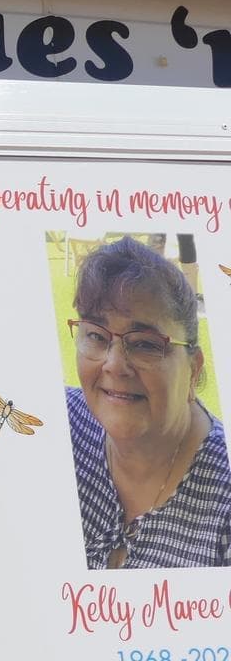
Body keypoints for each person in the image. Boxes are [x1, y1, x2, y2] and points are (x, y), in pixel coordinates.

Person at [66, 235, 230, 569]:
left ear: (192, 368)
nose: (114, 364)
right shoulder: (59, 428)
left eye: (145, 344)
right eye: (96, 335)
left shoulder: (223, 505)